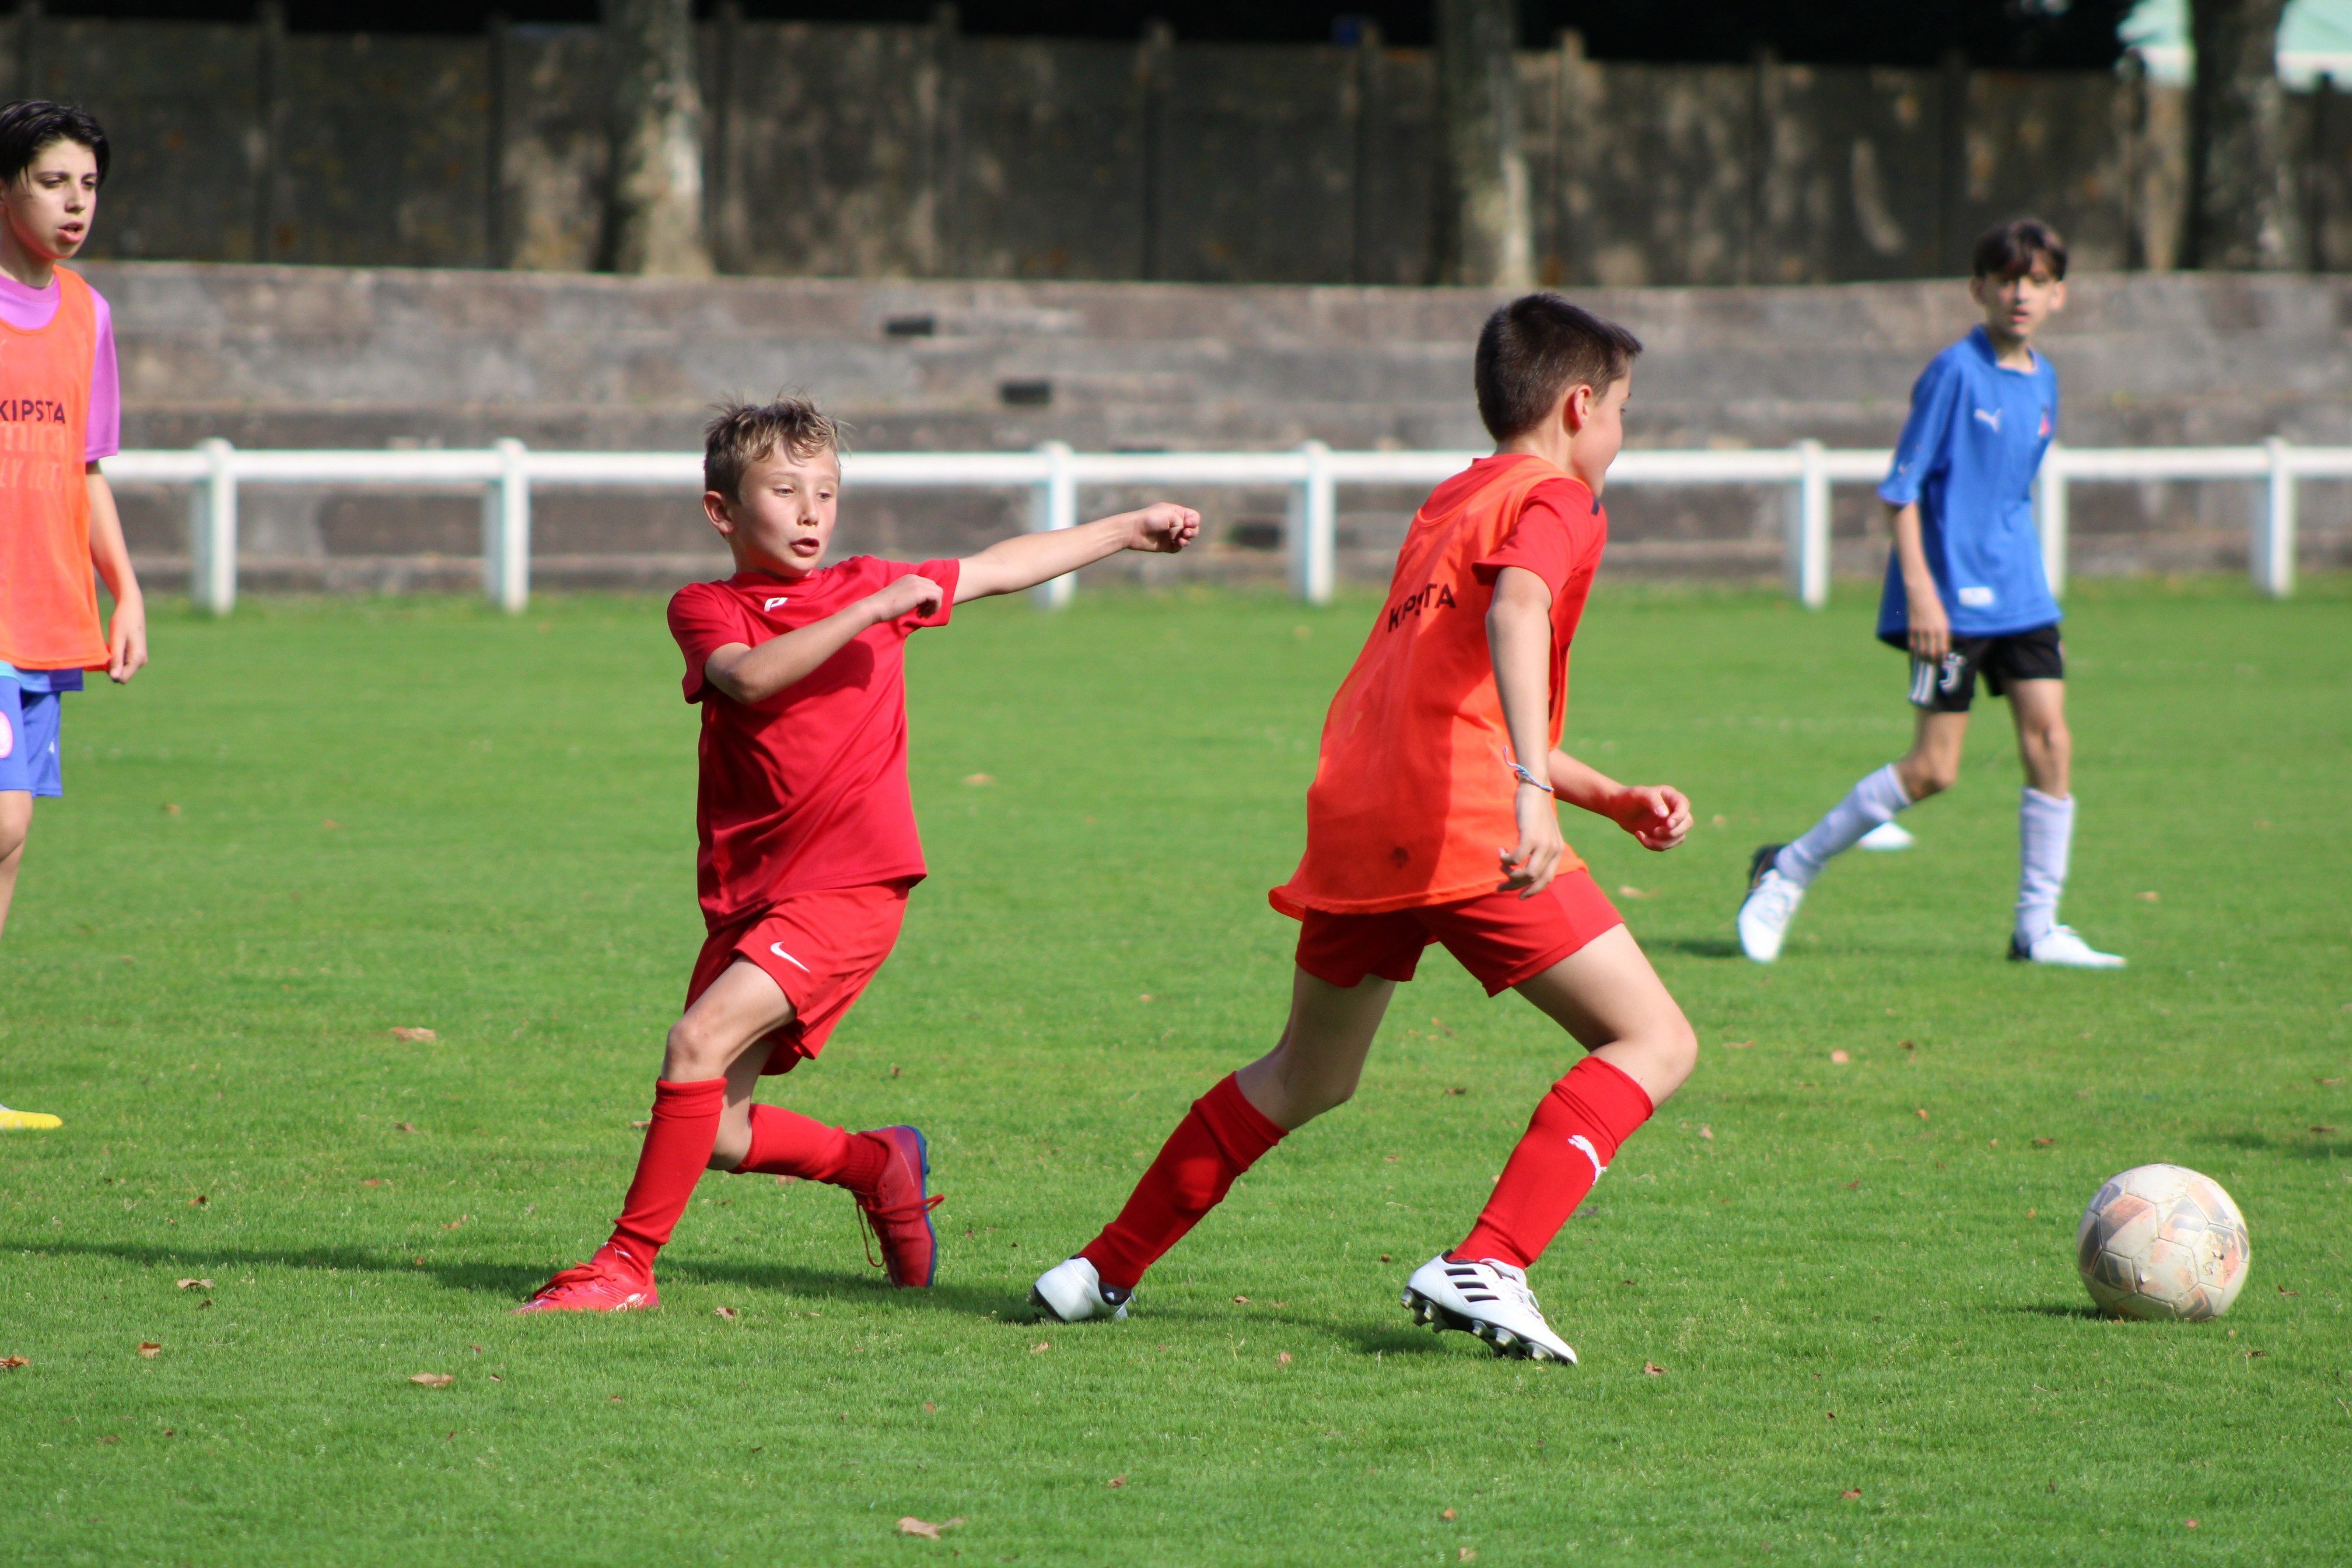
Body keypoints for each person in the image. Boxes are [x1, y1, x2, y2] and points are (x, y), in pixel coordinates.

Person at [1031, 295, 1698, 1364]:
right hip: (1465, 821)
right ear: (1580, 408)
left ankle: (1101, 1267)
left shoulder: (1452, 500)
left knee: (1306, 1075)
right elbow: (1518, 613)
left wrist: (1602, 794)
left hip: (1361, 810)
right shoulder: (1558, 501)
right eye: (1624, 412)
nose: (1621, 434)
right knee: (1655, 1040)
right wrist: (1532, 793)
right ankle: (1493, 1259)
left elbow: (1447, 700)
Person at [518, 397, 1199, 1312]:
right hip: (751, 897)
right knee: (715, 1130)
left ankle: (625, 1268)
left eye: (827, 493)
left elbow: (999, 568)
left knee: (694, 1043)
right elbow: (750, 677)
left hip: (850, 888)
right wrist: (875, 609)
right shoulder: (708, 607)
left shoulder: (873, 584)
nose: (811, 513)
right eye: (786, 490)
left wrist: (1126, 529)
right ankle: (879, 1165)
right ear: (722, 511)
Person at [1737, 218, 2122, 970]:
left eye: (2036, 281)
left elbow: (2011, 499)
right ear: (1978, 289)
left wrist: (2043, 605)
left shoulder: (2044, 379)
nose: (2020, 294)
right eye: (2006, 279)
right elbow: (1901, 492)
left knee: (2052, 743)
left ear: (2059, 296)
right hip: (1949, 598)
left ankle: (2035, 928)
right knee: (1934, 769)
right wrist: (1921, 593)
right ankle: (1788, 867)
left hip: (2023, 597)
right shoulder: (1954, 372)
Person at [0, 102, 148, 1133]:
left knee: (9, 851)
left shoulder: (89, 314)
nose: (75, 204)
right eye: (54, 182)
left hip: (49, 615)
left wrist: (125, 588)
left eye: (88, 185)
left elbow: (85, 469)